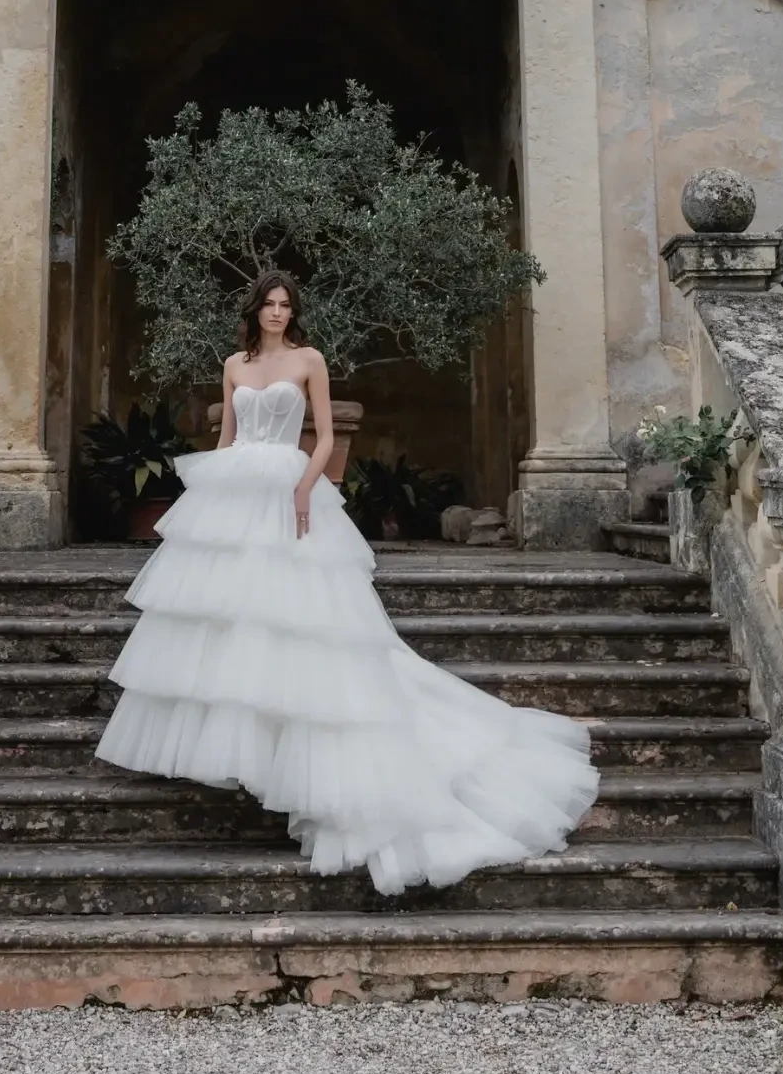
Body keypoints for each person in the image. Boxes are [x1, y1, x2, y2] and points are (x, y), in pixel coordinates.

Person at [95, 268, 599, 894]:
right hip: (235, 497)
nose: (277, 312)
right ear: (254, 311)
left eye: (285, 305)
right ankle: (252, 747)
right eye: (269, 305)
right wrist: (207, 504)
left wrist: (305, 489)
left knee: (303, 620)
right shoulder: (233, 363)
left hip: (290, 488)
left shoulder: (310, 359)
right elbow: (224, 440)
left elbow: (327, 434)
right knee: (233, 618)